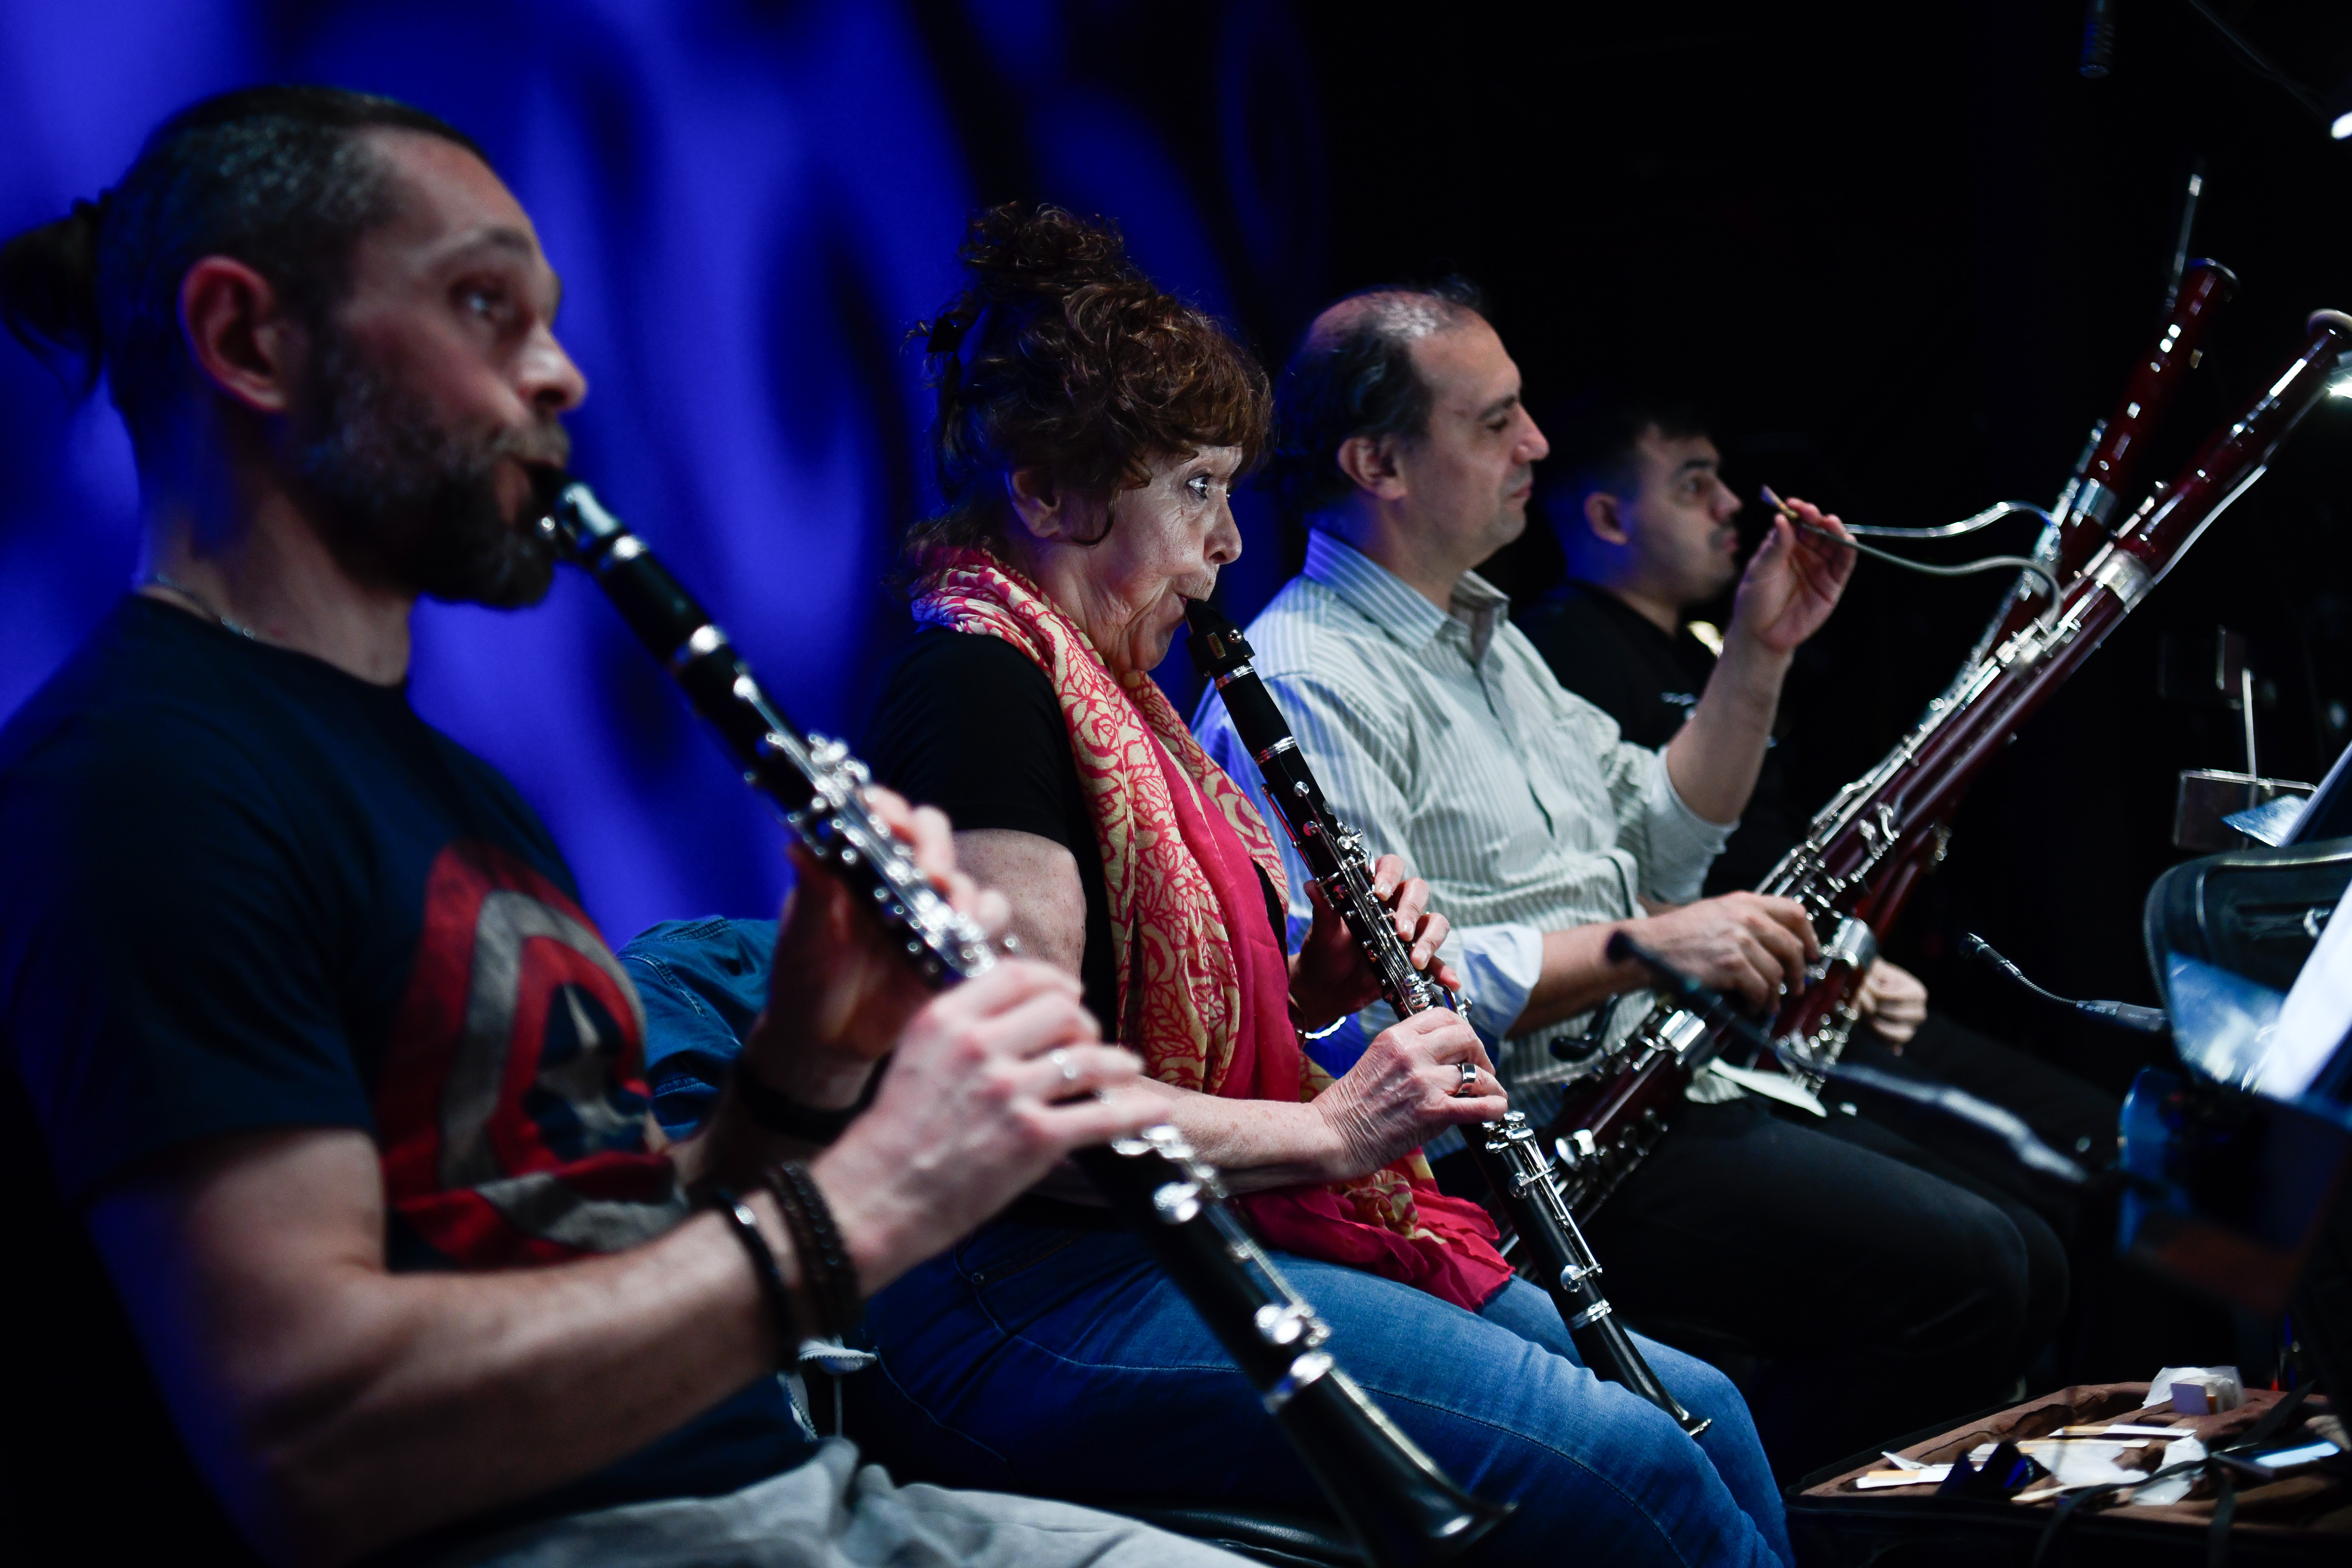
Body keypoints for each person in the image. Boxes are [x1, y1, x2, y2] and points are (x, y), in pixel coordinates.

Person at [0, 86, 1248, 1568]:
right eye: (485, 306)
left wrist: (806, 1062)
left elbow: (609, 1260)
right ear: (248, 339)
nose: (563, 376)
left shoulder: (463, 792)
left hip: (770, 1498)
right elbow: (314, 1440)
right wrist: (869, 1197)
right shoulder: (144, 780)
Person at [633, 205, 1793, 1566]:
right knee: (1635, 1463)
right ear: (1053, 496)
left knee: (1701, 1410)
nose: (1228, 545)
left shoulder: (1119, 698)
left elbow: (1136, 1018)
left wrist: (1318, 992)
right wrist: (1332, 1130)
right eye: (1193, 490)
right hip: (1018, 1291)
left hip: (1149, 1239)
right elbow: (1029, 1113)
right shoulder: (979, 695)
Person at [1194, 281, 2066, 1480]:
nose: (1538, 446)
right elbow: (1379, 1008)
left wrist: (1759, 651)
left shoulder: (1490, 647)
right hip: (1527, 1147)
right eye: (1496, 423)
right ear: (1376, 463)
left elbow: (1658, 840)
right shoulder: (1309, 670)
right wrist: (1657, 948)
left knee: (2032, 1246)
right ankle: (1736, 1529)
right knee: (1977, 1278)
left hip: (1645, 1094)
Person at [1517, 385, 2120, 1194]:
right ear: (1608, 520)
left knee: (2090, 1147)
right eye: (1694, 485)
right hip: (1733, 1012)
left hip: (1803, 985)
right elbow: (1609, 879)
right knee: (2024, 1201)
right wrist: (1816, 964)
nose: (1733, 505)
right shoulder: (1560, 651)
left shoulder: (1699, 651)